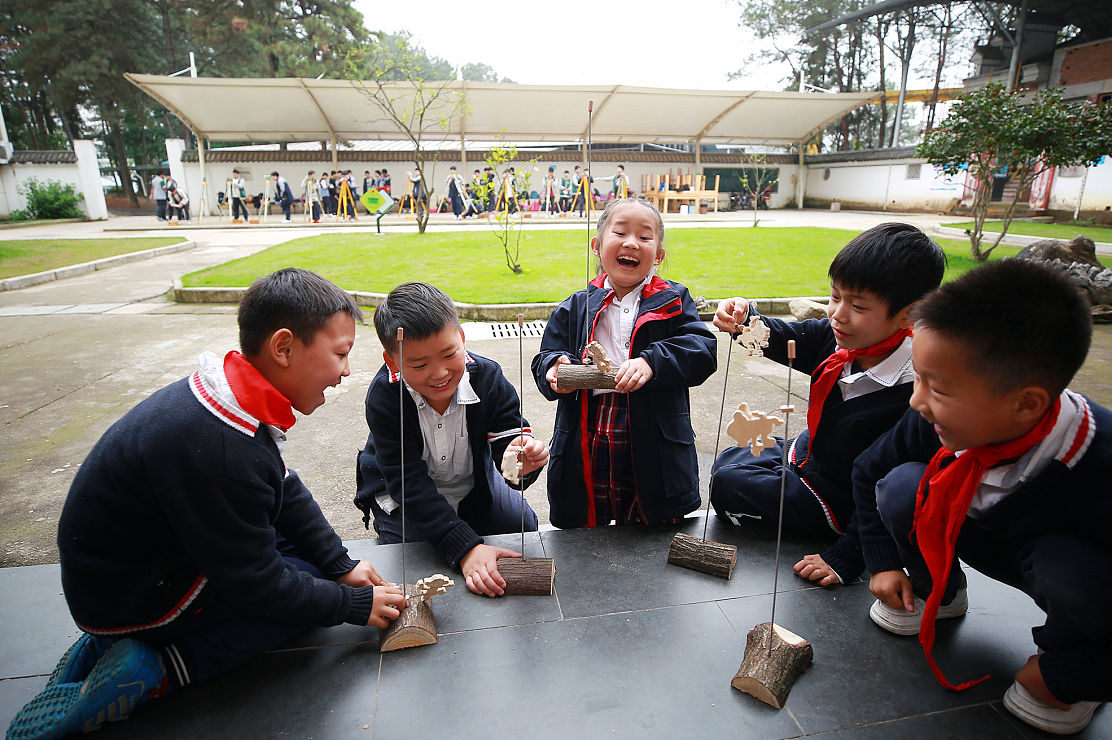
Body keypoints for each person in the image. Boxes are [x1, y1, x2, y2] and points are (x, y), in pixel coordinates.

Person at [4, 269, 408, 740]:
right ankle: (158, 669)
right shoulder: (222, 452)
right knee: (296, 602)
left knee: (307, 568)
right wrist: (352, 605)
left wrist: (340, 565)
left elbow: (283, 489)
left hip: (132, 565)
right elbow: (259, 585)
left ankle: (116, 642)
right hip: (129, 595)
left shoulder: (227, 398)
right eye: (340, 354)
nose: (345, 371)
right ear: (283, 348)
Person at [855, 257, 1112, 734]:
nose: (916, 400)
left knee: (1071, 569)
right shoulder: (938, 420)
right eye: (918, 377)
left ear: (1027, 403)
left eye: (937, 387)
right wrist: (883, 560)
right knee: (900, 486)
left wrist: (1081, 673)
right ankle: (937, 586)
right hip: (978, 535)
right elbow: (868, 468)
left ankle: (1069, 650)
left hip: (1065, 570)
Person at [709, 222, 946, 587]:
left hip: (845, 497)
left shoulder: (915, 390)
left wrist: (849, 554)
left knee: (727, 482)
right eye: (835, 296)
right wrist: (744, 318)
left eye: (858, 305)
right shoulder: (845, 343)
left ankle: (832, 526)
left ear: (909, 314)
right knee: (730, 459)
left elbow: (887, 482)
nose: (838, 313)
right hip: (811, 456)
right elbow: (785, 337)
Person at [354, 282, 549, 597]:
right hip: (405, 497)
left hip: (471, 483)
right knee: (412, 560)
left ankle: (465, 521)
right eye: (419, 365)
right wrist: (467, 549)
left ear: (461, 338)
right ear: (393, 362)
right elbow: (408, 485)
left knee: (522, 521)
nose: (440, 373)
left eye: (449, 354)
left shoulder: (488, 378)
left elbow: (509, 440)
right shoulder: (385, 398)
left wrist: (521, 461)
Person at [532, 198, 716, 528]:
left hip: (653, 442)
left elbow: (702, 349)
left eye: (645, 238)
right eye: (619, 232)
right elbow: (546, 355)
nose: (631, 242)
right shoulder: (576, 306)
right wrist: (554, 367)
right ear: (597, 245)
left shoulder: (673, 301)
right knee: (588, 533)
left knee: (651, 534)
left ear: (658, 255)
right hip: (588, 438)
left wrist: (651, 362)